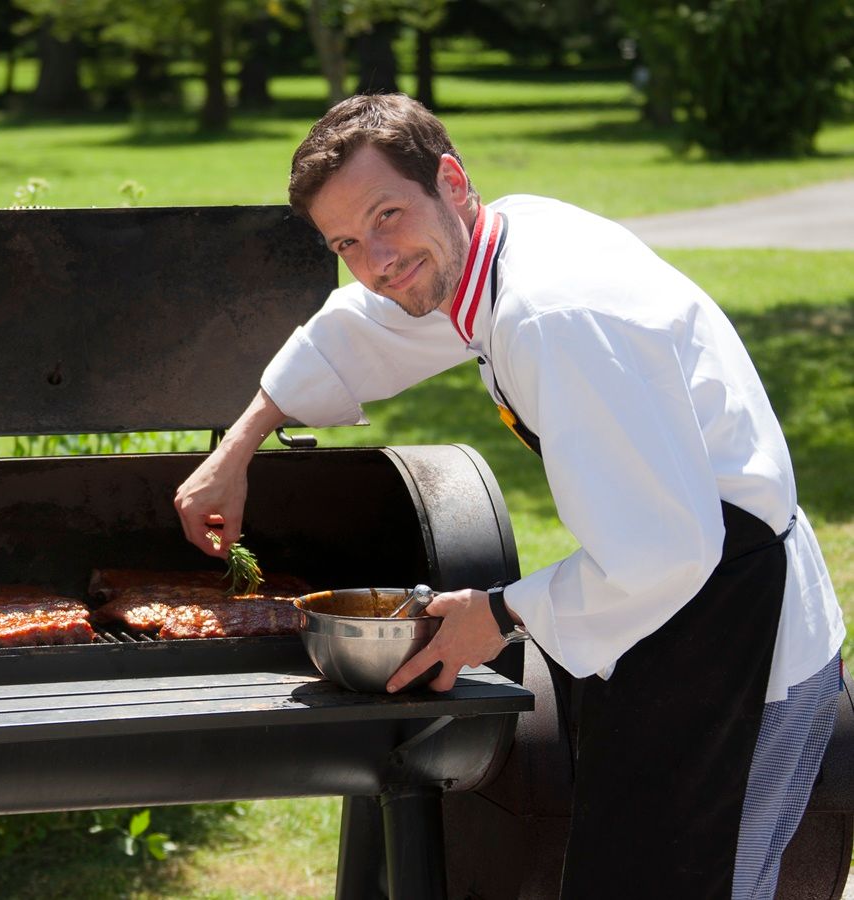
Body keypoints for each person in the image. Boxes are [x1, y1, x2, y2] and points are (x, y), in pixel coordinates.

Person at [173, 93, 846, 899]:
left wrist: (495, 614)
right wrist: (240, 446)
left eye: (388, 215)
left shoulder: (549, 315)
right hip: (675, 611)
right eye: (346, 240)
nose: (376, 257)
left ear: (451, 182)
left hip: (734, 628)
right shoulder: (496, 246)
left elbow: (665, 552)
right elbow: (368, 324)